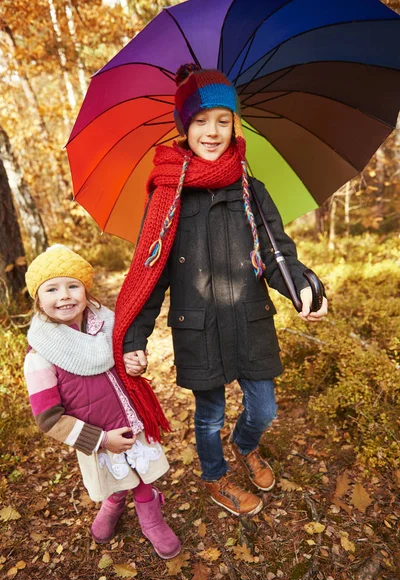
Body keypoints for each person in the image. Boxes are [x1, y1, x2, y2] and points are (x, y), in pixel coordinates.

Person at [113, 64, 328, 517]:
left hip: (250, 319)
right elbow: (151, 275)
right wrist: (134, 339)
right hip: (198, 326)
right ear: (184, 127)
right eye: (200, 121)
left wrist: (304, 286)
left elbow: (278, 255)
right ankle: (215, 477)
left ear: (235, 124)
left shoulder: (252, 189)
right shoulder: (167, 198)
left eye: (223, 120)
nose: (212, 132)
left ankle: (245, 444)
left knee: (264, 408)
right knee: (208, 414)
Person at [23, 245, 181, 558]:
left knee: (140, 477)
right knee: (114, 477)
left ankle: (151, 518)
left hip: (130, 421)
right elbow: (49, 419)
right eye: (52, 289)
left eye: (73, 285)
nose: (64, 295)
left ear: (85, 290)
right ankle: (113, 504)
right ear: (38, 300)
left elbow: (124, 362)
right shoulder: (40, 356)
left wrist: (134, 363)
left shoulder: (108, 326)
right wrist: (101, 439)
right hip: (97, 435)